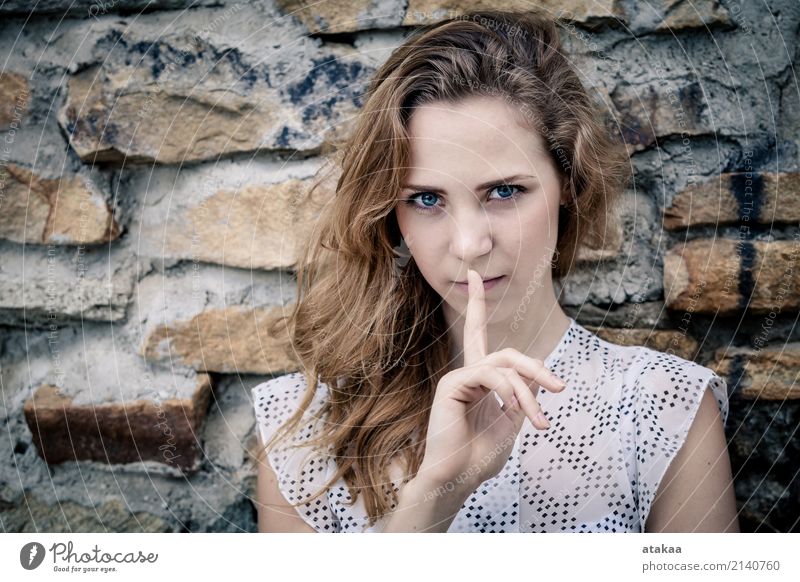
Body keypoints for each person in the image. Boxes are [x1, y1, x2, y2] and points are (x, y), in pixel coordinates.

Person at [252, 8, 739, 533]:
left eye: (505, 191)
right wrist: (432, 497)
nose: (470, 243)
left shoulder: (661, 408)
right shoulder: (305, 432)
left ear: (569, 184)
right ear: (390, 213)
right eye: (426, 199)